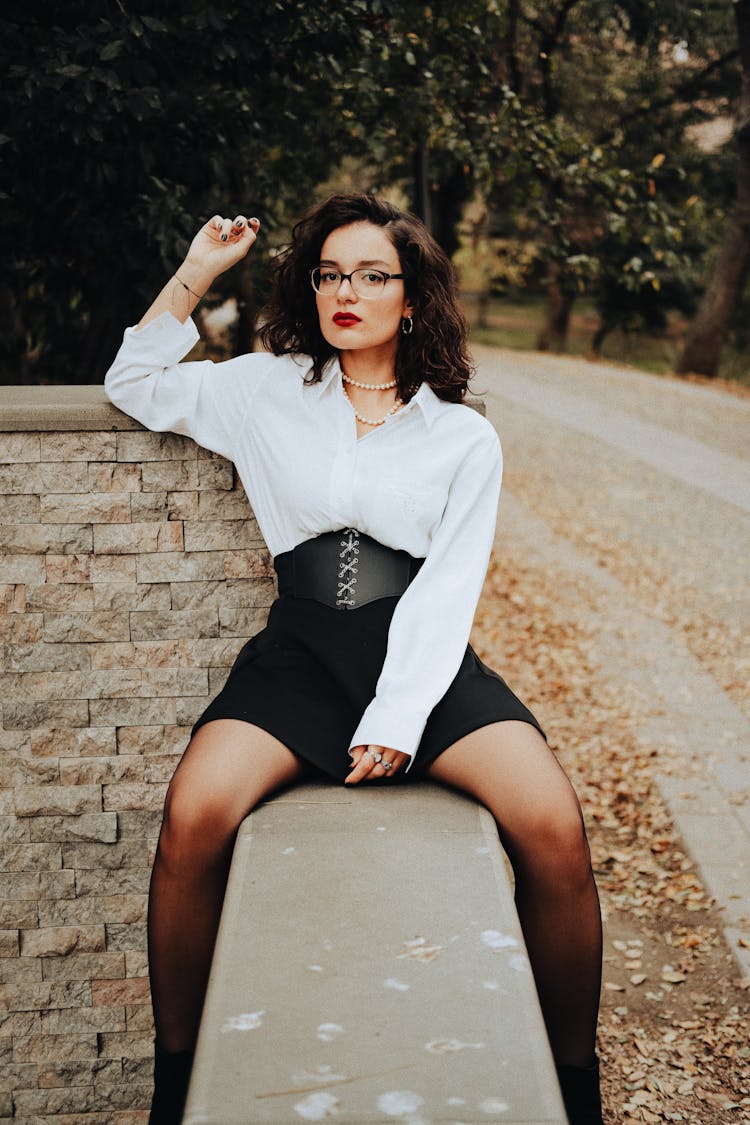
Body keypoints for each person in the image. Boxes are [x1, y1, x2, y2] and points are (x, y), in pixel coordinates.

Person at [103, 192, 605, 1125]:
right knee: (192, 817)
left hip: (420, 654)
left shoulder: (461, 435)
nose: (348, 291)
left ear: (410, 298)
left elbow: (449, 588)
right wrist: (198, 272)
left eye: (373, 275)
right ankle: (175, 1088)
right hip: (298, 650)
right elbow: (133, 381)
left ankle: (577, 1090)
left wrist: (397, 717)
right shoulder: (264, 388)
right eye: (332, 272)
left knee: (553, 826)